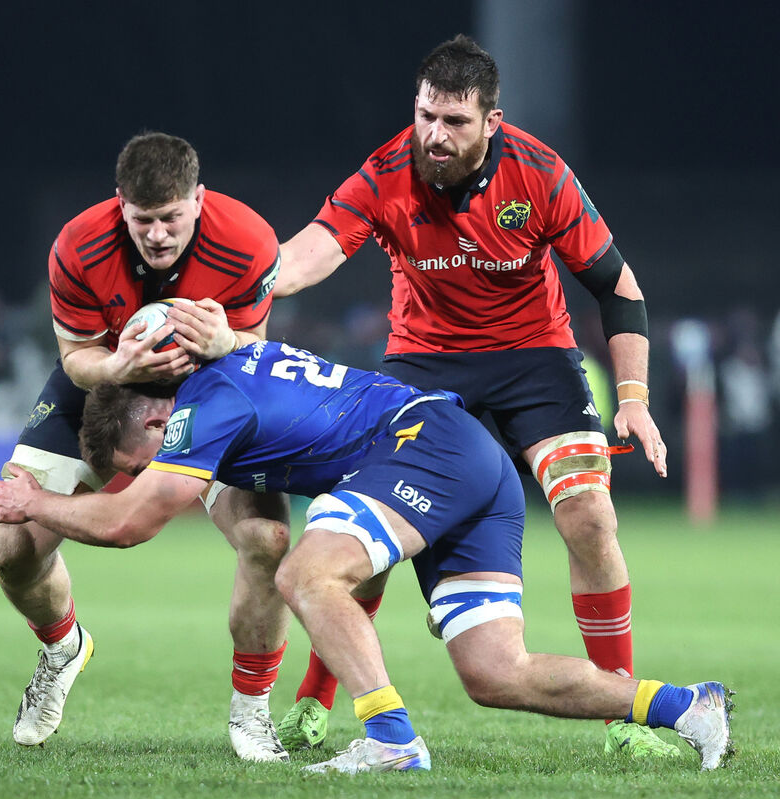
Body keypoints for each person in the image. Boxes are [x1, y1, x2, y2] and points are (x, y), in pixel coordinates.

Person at [0, 342, 734, 774]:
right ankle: (685, 707)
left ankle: (393, 739)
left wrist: (35, 504)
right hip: (471, 463)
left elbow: (135, 522)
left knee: (304, 571)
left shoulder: (204, 404)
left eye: (146, 455)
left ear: (156, 415)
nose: (158, 468)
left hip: (422, 445)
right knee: (494, 672)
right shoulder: (222, 387)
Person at [273, 34, 672, 758]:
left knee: (589, 516)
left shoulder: (540, 173)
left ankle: (625, 716)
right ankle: (316, 695)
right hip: (422, 364)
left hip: (536, 359)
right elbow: (319, 246)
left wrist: (635, 397)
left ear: (492, 121)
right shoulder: (388, 169)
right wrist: (260, 277)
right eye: (427, 115)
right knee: (372, 535)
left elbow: (620, 288)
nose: (435, 134)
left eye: (455, 121)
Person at [0, 132, 292, 762]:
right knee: (14, 549)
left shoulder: (249, 241)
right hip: (105, 375)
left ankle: (252, 713)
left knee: (267, 541)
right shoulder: (77, 245)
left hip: (213, 384)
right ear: (119, 206)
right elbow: (76, 359)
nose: (157, 235)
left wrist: (226, 343)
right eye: (143, 220)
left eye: (172, 218)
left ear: (199, 200)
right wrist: (119, 365)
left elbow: (255, 354)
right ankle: (63, 647)